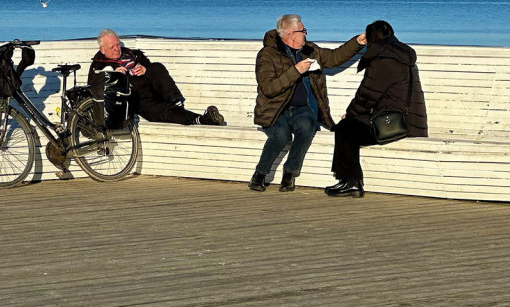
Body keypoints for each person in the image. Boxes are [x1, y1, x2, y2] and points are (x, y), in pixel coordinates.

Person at [250, 15, 366, 192]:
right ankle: (259, 174)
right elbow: (268, 88)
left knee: (308, 126)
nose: (305, 34)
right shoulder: (268, 54)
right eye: (302, 31)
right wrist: (296, 71)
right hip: (274, 110)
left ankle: (289, 173)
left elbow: (334, 58)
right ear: (290, 34)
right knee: (281, 136)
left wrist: (357, 42)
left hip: (302, 109)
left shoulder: (310, 50)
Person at [326, 20, 428, 198]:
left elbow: (367, 94)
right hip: (410, 120)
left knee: (344, 129)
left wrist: (349, 114)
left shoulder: (383, 61)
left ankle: (351, 182)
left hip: (394, 124)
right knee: (348, 127)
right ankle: (347, 181)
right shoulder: (401, 55)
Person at [88, 29, 224, 127]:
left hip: (151, 86)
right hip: (136, 98)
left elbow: (152, 69)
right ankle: (203, 119)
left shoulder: (132, 54)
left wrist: (145, 69)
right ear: (102, 49)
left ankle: (175, 100)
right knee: (165, 112)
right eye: (112, 47)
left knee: (156, 67)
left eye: (118, 44)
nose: (117, 49)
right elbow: (93, 85)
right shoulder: (98, 64)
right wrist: (115, 75)